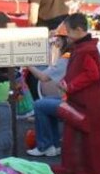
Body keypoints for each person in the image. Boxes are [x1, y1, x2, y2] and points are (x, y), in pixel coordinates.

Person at [50, 12, 100, 174]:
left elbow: (91, 74)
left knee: (87, 143)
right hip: (84, 102)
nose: (68, 37)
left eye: (69, 32)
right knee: (80, 142)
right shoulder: (84, 48)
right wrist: (67, 83)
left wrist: (70, 86)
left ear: (79, 30)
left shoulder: (86, 50)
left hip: (86, 105)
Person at [26, 25, 72, 157]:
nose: (56, 43)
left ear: (65, 41)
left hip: (71, 101)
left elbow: (43, 77)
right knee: (46, 103)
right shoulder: (71, 55)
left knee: (39, 105)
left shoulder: (66, 58)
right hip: (74, 98)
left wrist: (28, 64)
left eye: (58, 40)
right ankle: (54, 145)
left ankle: (44, 146)